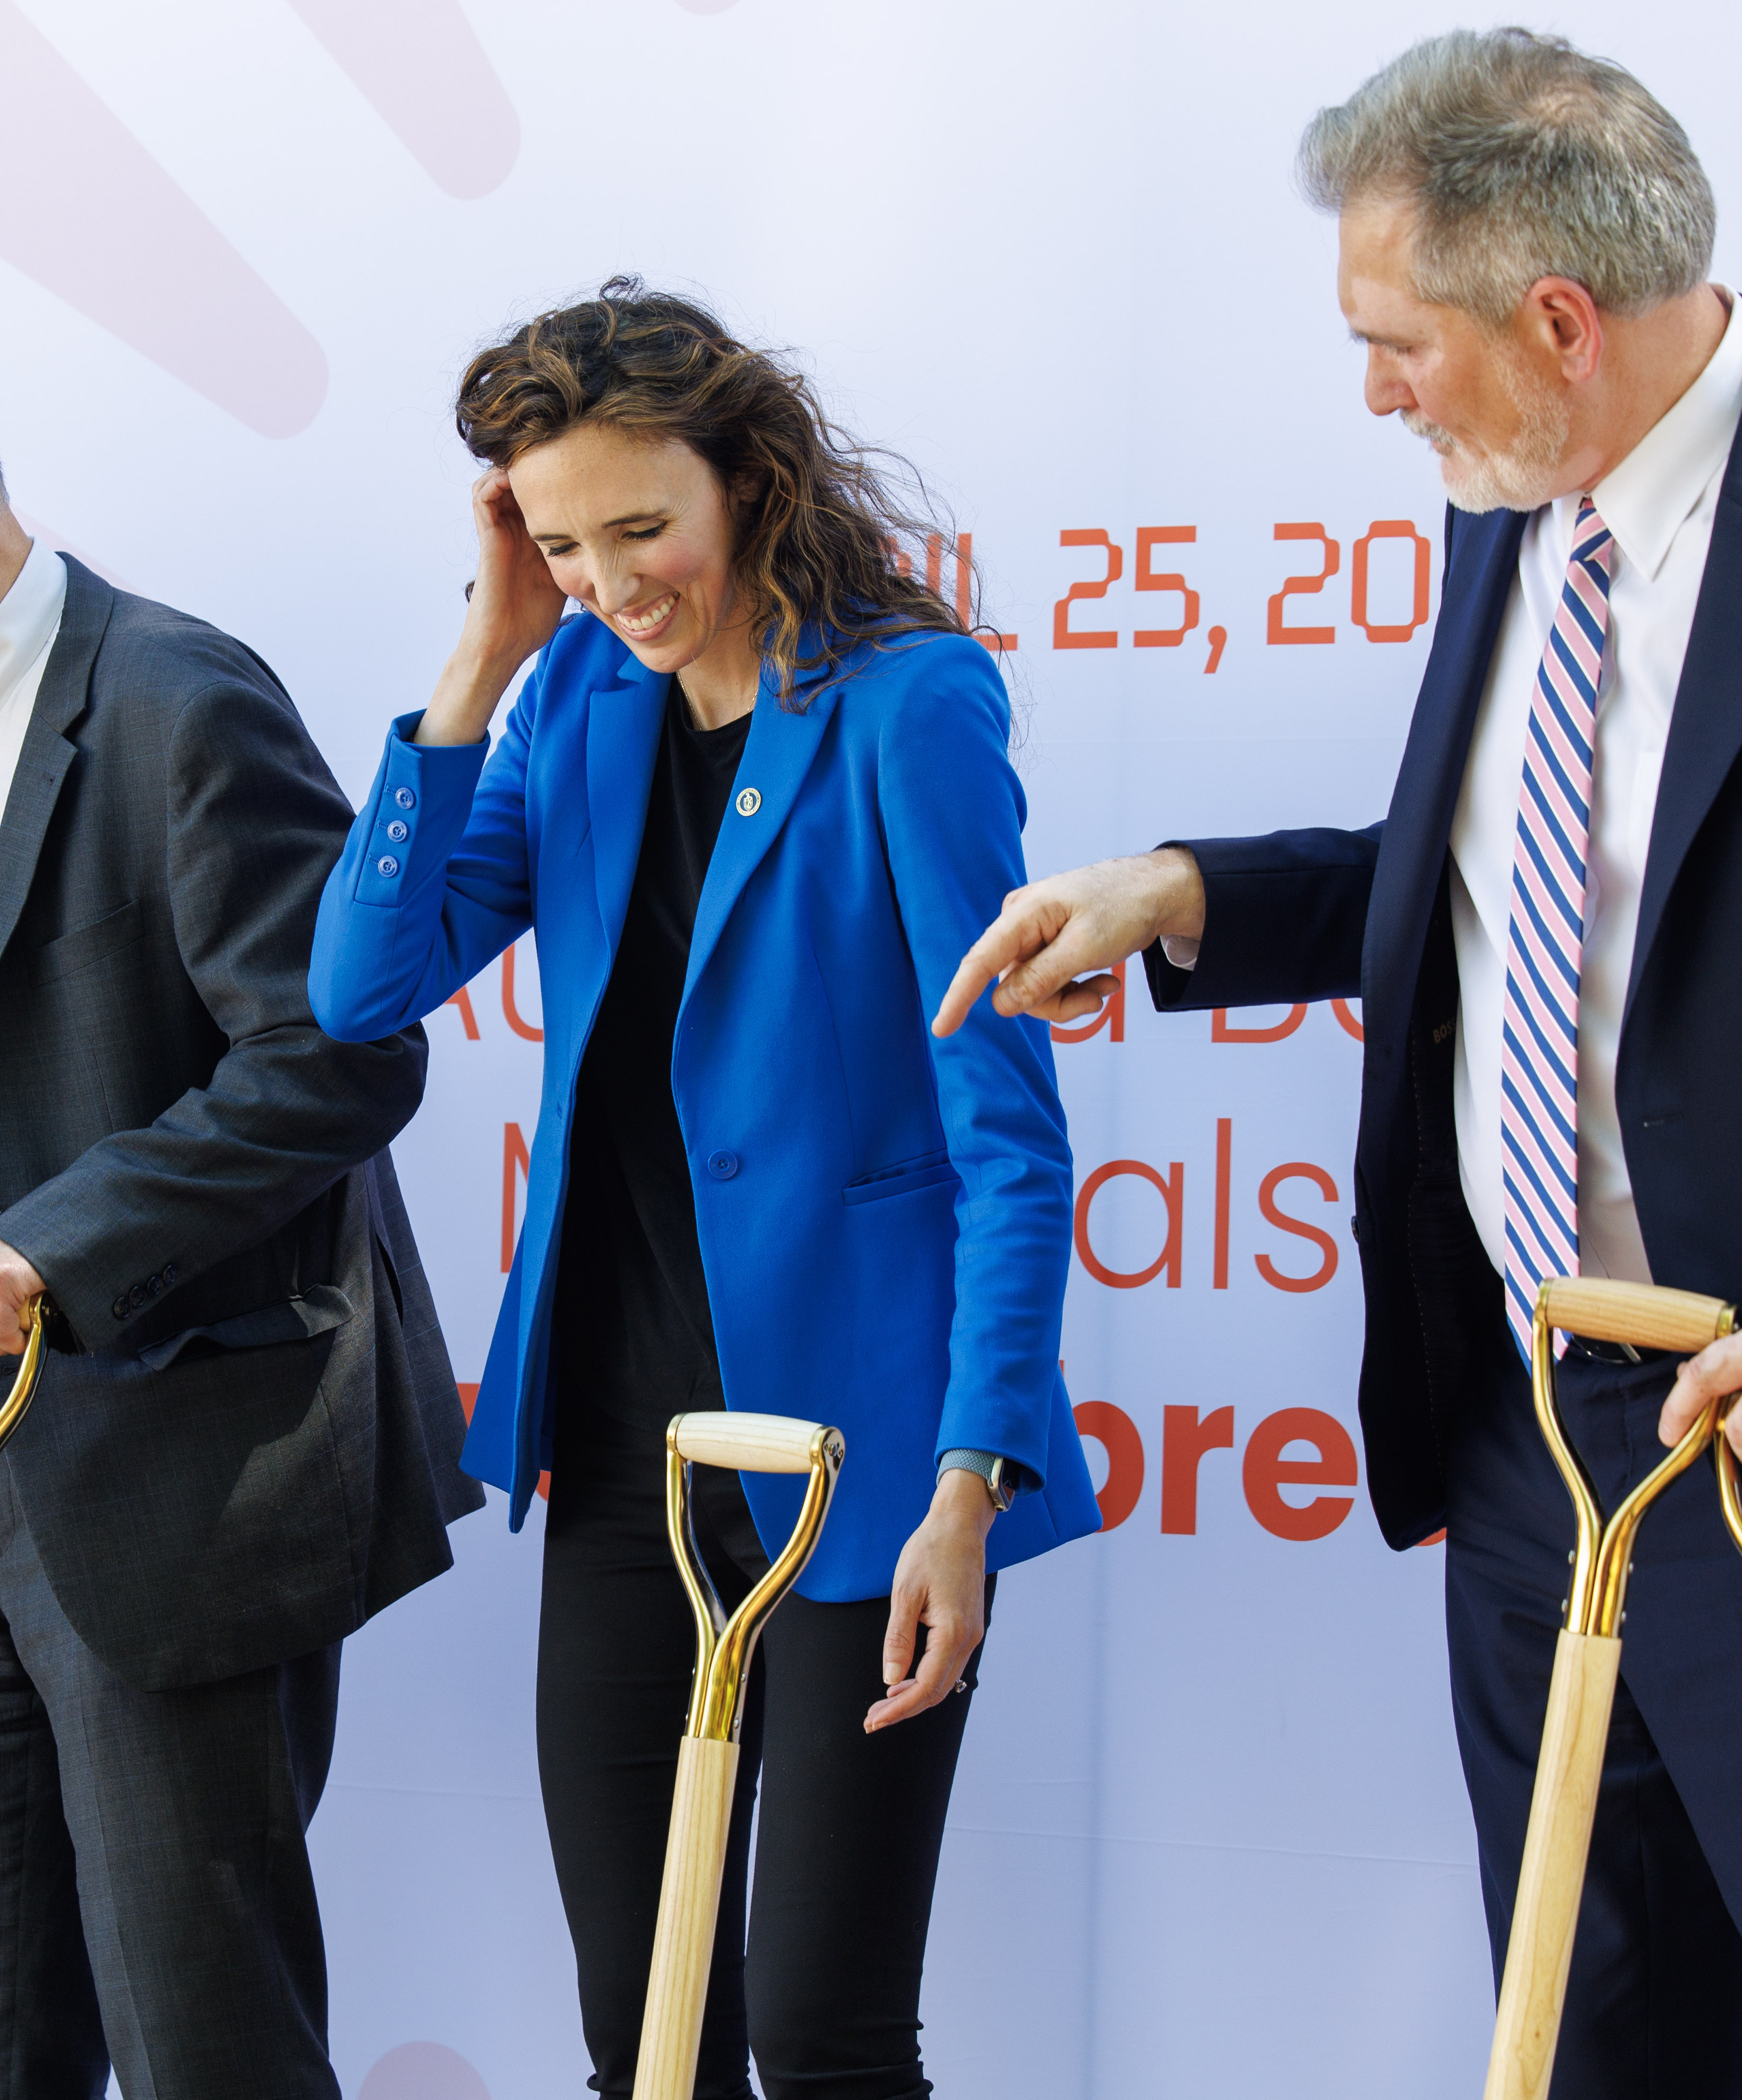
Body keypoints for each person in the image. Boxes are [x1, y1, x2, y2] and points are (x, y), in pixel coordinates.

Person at [939, 31, 1742, 2095]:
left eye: (1396, 343)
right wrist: (1197, 894)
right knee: (1582, 2049)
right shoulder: (1525, 507)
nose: (1374, 393)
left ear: (1559, 321)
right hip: (1538, 1461)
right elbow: (1512, 870)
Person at [308, 283, 1098, 2100]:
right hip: (619, 1462)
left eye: (639, 529)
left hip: (870, 1470)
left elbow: (1005, 1133)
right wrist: (483, 662)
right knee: (644, 2039)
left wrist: (968, 1487)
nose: (610, 581)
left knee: (824, 2037)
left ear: (745, 474)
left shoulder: (910, 705)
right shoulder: (575, 682)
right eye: (565, 542)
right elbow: (360, 986)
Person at [0, 325, 478, 2100]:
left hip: (168, 1477)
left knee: (204, 2047)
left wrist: (53, 1242)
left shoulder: (176, 700)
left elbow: (337, 1063)